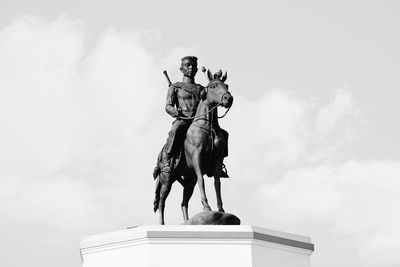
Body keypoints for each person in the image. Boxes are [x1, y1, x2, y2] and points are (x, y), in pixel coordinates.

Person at [153, 56, 228, 178]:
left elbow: (210, 102)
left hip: (199, 122)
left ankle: (219, 164)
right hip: (183, 119)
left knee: (222, 134)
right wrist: (175, 112)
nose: (191, 67)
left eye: (193, 65)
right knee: (175, 130)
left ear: (197, 69)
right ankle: (166, 161)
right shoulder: (175, 87)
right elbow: (168, 106)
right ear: (181, 69)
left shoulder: (202, 89)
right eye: (187, 65)